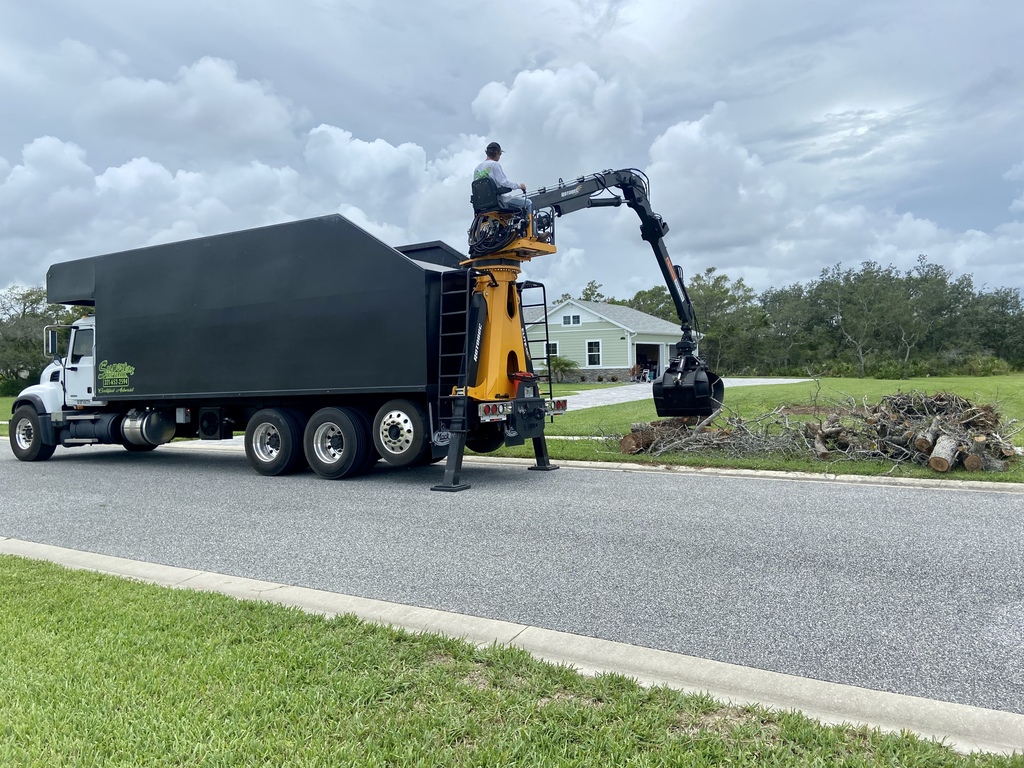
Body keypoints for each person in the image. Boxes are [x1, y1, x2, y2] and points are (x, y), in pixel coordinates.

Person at [474, 142, 533, 217]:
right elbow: (504, 182)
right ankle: (530, 228)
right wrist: (519, 186)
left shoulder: (477, 169)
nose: (500, 156)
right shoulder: (495, 165)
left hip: (483, 206)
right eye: (500, 154)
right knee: (528, 203)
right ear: (497, 152)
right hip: (499, 201)